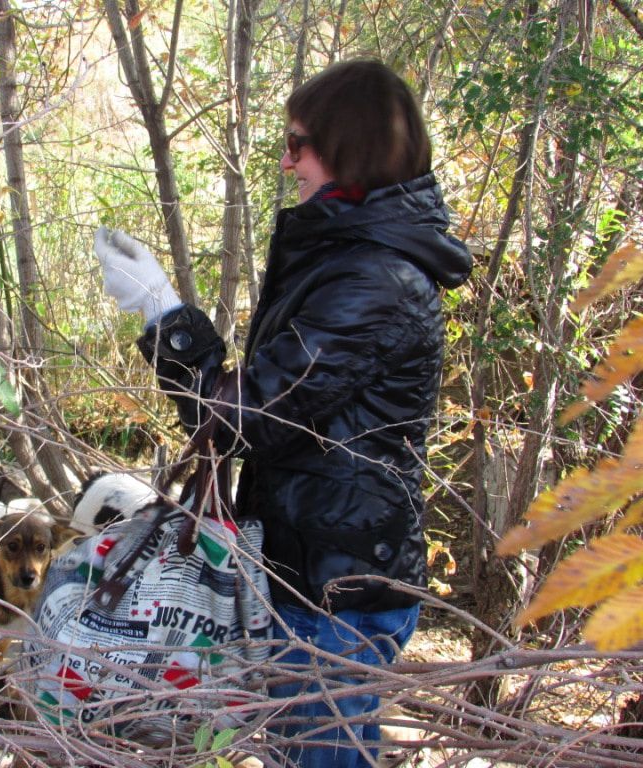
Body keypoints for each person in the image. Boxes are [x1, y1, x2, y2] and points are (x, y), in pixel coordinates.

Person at [94, 59, 472, 767]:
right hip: (313, 564)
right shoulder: (346, 256)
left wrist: (163, 313)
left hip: (335, 587)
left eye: (300, 143)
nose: (286, 158)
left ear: (349, 148)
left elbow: (241, 417)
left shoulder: (374, 279)